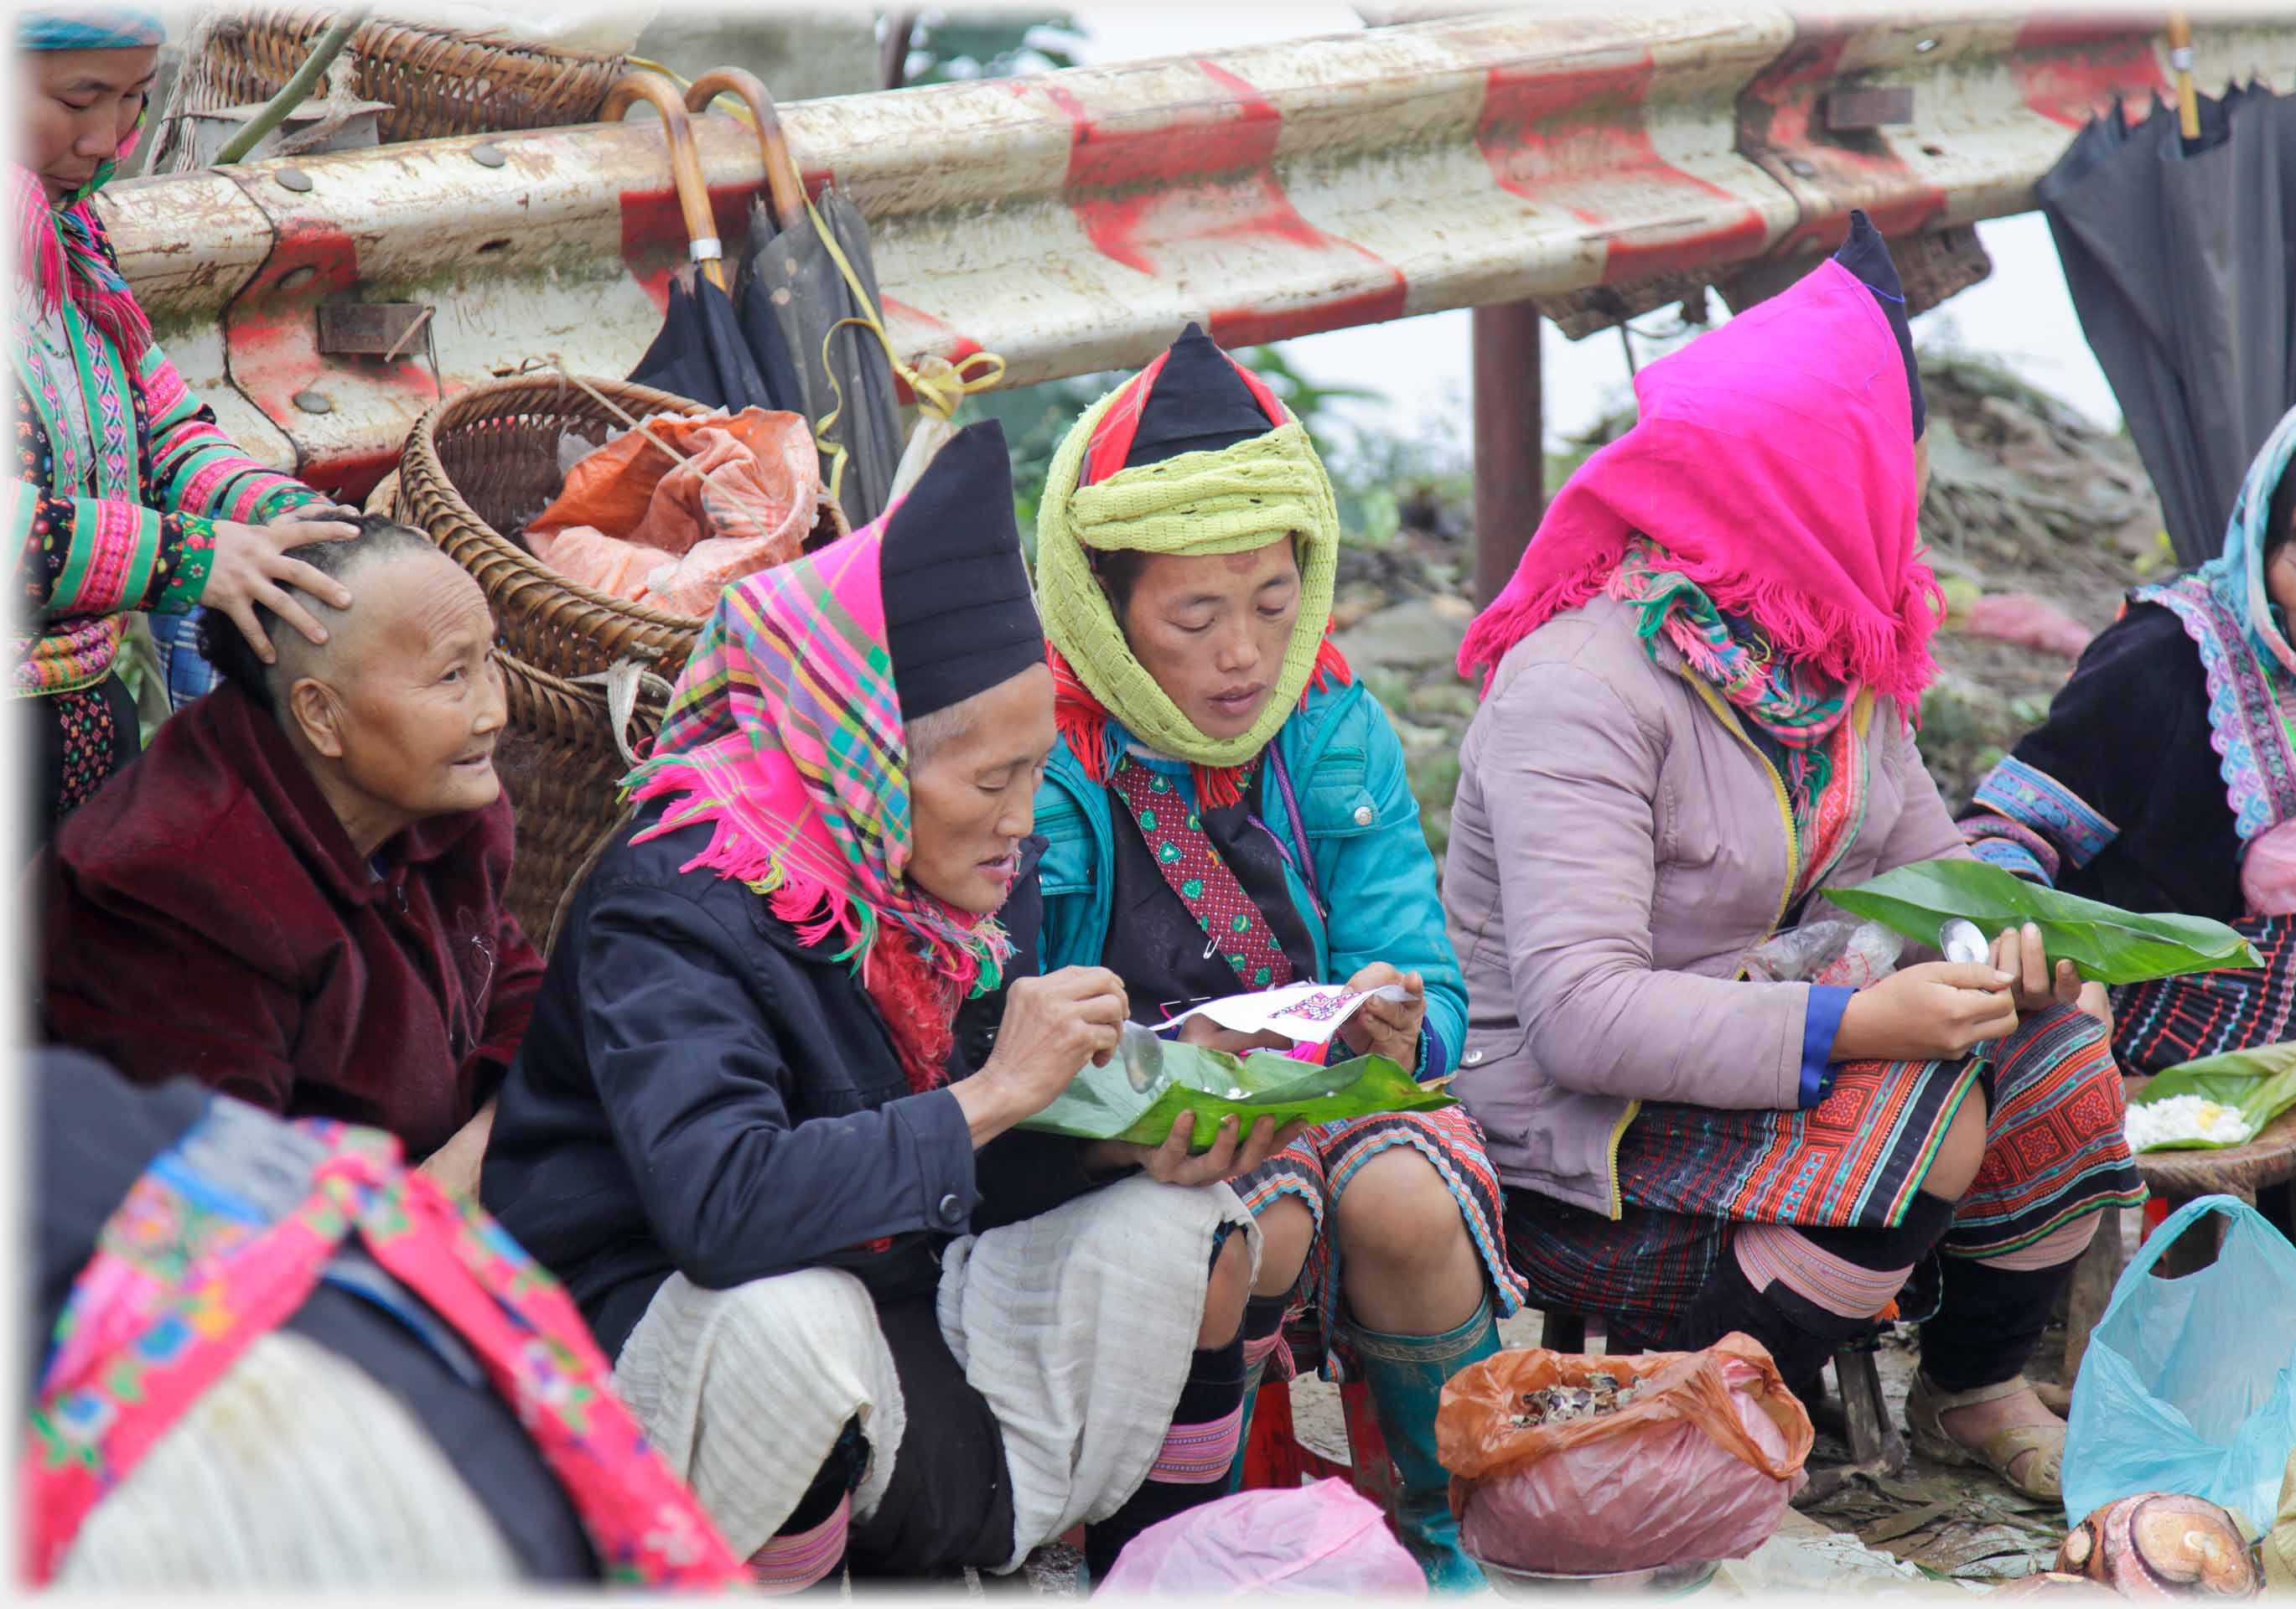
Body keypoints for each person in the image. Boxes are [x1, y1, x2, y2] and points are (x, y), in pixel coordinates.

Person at [479, 422, 1280, 1591]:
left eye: (1037, 770)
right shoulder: (678, 901)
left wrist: (1131, 1129)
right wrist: (997, 1090)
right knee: (787, 1326)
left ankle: (1160, 1578)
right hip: (654, 1358)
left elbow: (973, 1169)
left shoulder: (953, 888)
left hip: (891, 1299)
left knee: (1177, 1230)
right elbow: (721, 1211)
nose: (1024, 818)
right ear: (857, 760)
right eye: (991, 780)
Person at [1444, 213, 2144, 1505]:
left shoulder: (1830, 648)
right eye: (1888, 476)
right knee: (1918, 1107)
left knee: (2063, 1063)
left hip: (1766, 1047)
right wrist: (1868, 1018)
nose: (1905, 511)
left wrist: (2009, 964)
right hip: (1585, 1118)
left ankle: (1970, 1388)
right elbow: (1582, 1015)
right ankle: (1691, 1419)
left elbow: (1935, 876)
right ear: (1801, 488)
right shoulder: (1580, 691)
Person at [1030, 324, 1524, 1589]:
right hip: (1119, 1126)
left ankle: (1445, 1517)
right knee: (1252, 1230)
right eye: (1194, 615)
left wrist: (1403, 1018)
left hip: (1321, 1097)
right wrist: (1157, 1069)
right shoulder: (1046, 766)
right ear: (1104, 607)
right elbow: (1002, 1025)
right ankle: (1167, 1534)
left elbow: (1430, 974)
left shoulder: (1332, 728)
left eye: (1272, 600)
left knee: (1407, 1194)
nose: (1246, 652)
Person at [27, 1047, 747, 1589]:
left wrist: (477, 1135)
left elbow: (525, 1010)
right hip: (282, 1405)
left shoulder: (455, 867)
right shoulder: (203, 881)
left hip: (359, 1340)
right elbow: (723, 1203)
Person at [1959, 391, 2296, 1249]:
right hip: (2149, 989)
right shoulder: (2167, 658)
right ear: (2259, 534)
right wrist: (2030, 954)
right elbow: (1999, 836)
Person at [37, 515, 539, 1196]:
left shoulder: (441, 805)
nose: (492, 712)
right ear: (320, 716)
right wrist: (437, 1200)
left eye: (490, 660)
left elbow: (512, 985)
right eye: (452, 675)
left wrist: (468, 1158)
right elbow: (223, 1205)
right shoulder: (172, 889)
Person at [12, 5, 358, 841]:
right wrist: (188, 559)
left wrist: (280, 516)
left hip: (84, 721)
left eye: (135, 96)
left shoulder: (69, 241)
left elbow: (161, 429)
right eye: (79, 96)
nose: (109, 139)